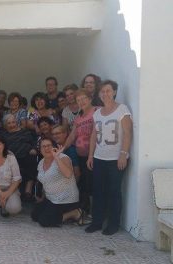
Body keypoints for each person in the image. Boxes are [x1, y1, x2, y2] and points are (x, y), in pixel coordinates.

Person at [85, 80, 132, 235]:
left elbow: (127, 133)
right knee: (98, 191)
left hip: (115, 159)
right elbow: (93, 135)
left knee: (114, 191)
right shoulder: (97, 113)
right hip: (99, 158)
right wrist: (91, 155)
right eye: (102, 91)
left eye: (108, 91)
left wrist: (123, 155)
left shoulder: (122, 110)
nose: (105, 94)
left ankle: (113, 224)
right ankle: (97, 222)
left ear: (114, 92)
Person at [31, 138, 82, 227]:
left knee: (44, 221)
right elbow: (45, 182)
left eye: (49, 146)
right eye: (43, 146)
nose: (46, 148)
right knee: (35, 215)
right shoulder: (41, 162)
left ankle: (74, 213)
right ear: (40, 149)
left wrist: (56, 157)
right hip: (52, 199)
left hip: (66, 200)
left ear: (54, 147)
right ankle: (58, 215)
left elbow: (68, 174)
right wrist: (43, 198)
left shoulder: (63, 157)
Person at [64, 89, 97, 213]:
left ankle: (94, 213)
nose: (81, 102)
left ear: (90, 99)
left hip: (92, 156)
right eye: (78, 100)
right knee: (84, 185)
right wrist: (62, 149)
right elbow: (72, 136)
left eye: (83, 98)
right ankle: (85, 212)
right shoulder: (78, 117)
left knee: (92, 185)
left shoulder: (97, 111)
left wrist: (91, 155)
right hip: (80, 156)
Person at [1, 114, 37, 200]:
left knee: (31, 159)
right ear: (5, 125)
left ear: (16, 122)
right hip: (11, 157)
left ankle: (28, 190)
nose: (12, 125)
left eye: (13, 122)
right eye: (9, 123)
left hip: (26, 155)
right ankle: (13, 191)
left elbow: (33, 144)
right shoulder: (3, 135)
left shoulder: (25, 132)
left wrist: (33, 149)